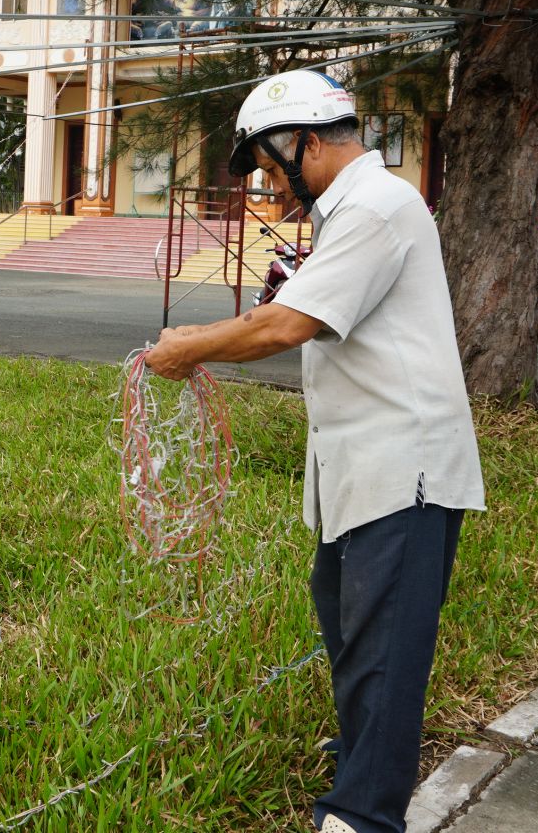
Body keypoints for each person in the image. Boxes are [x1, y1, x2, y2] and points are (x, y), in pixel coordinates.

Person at [143, 69, 484, 833]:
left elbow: (282, 327)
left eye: (270, 165)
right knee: (348, 621)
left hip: (406, 467)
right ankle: (367, 749)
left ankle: (362, 813)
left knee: (387, 643)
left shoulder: (375, 206)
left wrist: (190, 347)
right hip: (364, 466)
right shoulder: (352, 211)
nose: (270, 183)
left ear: (304, 141)